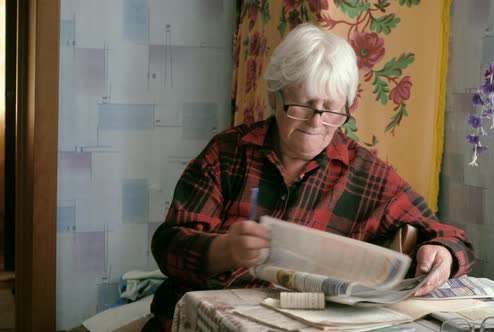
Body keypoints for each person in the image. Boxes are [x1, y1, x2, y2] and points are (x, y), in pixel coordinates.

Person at [142, 23, 475, 331]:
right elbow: (167, 244)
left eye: (331, 109)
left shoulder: (366, 173)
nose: (317, 122)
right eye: (302, 105)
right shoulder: (228, 153)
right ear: (276, 98)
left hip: (293, 322)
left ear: (346, 110)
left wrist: (443, 253)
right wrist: (224, 250)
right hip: (198, 319)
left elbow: (452, 237)